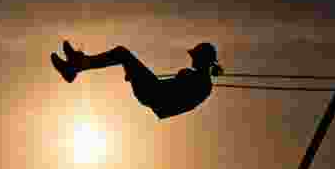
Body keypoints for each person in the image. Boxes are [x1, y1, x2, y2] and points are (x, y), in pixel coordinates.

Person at [51, 41, 222, 119]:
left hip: (156, 94)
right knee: (123, 57)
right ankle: (75, 66)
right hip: (155, 94)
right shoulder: (200, 80)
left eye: (195, 56)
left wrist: (186, 75)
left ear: (203, 59)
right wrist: (135, 75)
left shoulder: (202, 83)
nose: (192, 59)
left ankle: (75, 66)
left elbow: (183, 100)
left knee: (121, 53)